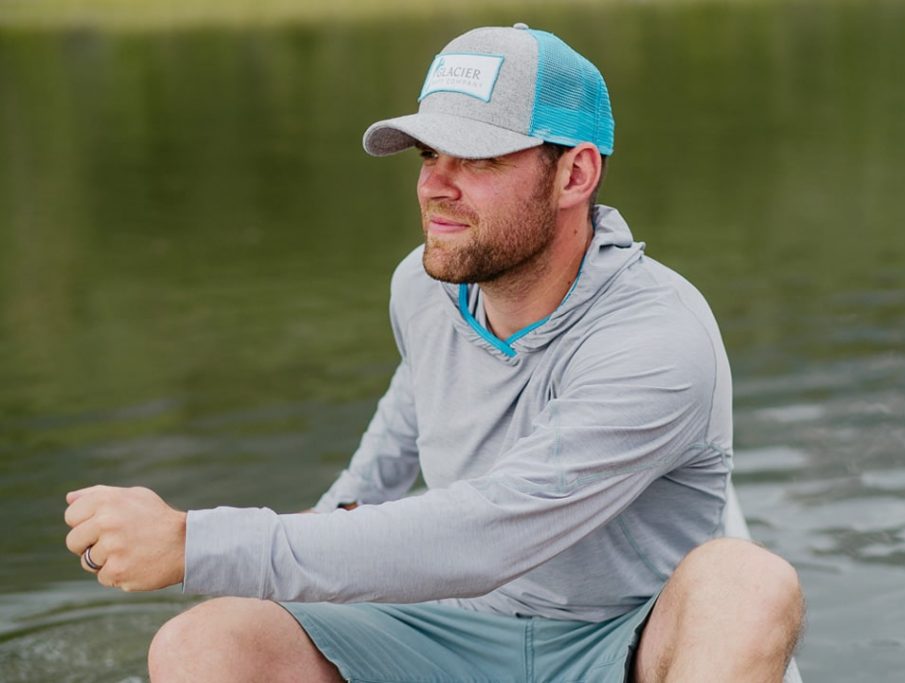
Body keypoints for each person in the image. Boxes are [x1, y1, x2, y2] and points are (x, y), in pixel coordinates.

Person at [64, 24, 804, 682]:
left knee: (747, 583)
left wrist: (196, 541)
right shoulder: (425, 286)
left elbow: (488, 532)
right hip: (451, 631)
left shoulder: (657, 338)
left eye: (476, 159)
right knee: (204, 646)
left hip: (622, 639)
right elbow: (388, 457)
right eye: (427, 152)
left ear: (575, 174)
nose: (433, 187)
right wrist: (268, 581)